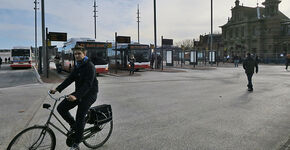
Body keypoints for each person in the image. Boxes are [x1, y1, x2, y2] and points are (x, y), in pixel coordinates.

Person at [50, 46, 98, 150]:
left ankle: (76, 143)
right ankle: (74, 125)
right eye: (75, 54)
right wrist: (58, 89)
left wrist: (76, 96)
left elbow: (88, 85)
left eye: (79, 53)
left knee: (80, 117)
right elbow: (70, 79)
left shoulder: (90, 66)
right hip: (79, 93)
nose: (76, 56)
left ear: (84, 54)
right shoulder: (78, 65)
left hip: (90, 94)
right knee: (61, 108)